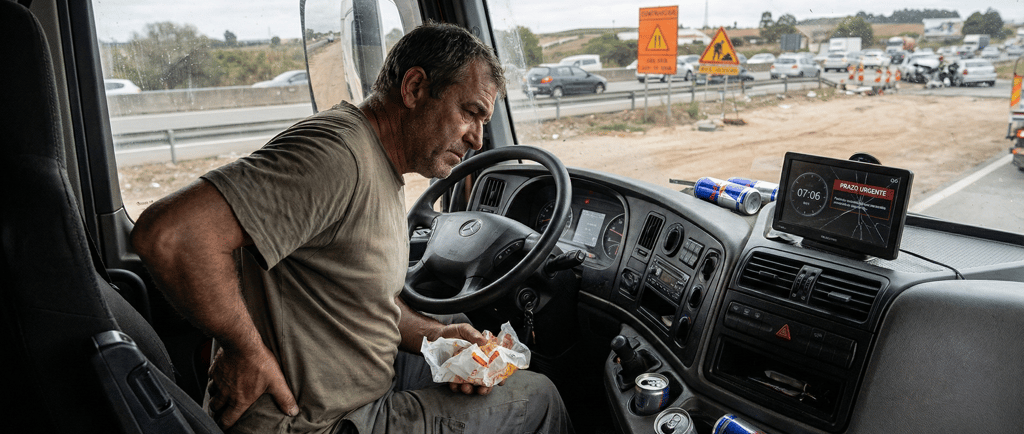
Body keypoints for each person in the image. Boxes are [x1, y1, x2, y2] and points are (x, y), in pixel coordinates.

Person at [131, 22, 572, 434]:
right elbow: (172, 234)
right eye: (471, 112)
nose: (479, 138)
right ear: (415, 87)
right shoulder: (337, 157)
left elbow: (360, 298)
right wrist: (244, 349)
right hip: (315, 422)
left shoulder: (378, 159)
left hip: (352, 385)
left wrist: (435, 337)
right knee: (541, 397)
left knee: (453, 323)